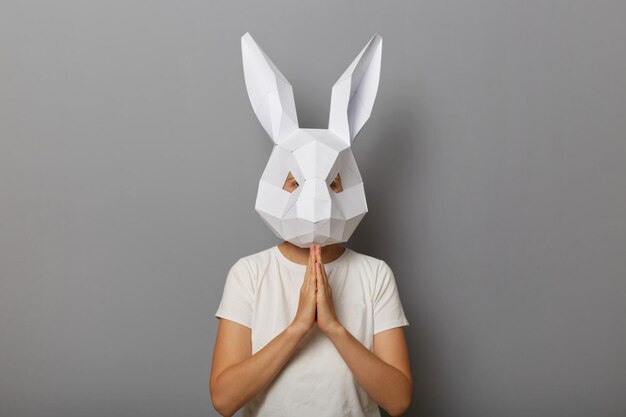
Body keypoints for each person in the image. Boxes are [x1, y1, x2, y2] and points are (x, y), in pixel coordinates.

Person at [210, 174, 413, 417]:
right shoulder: (248, 273)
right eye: (296, 183)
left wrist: (333, 327)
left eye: (332, 183)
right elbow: (224, 400)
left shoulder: (375, 274)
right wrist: (297, 328)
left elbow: (398, 401)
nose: (315, 196)